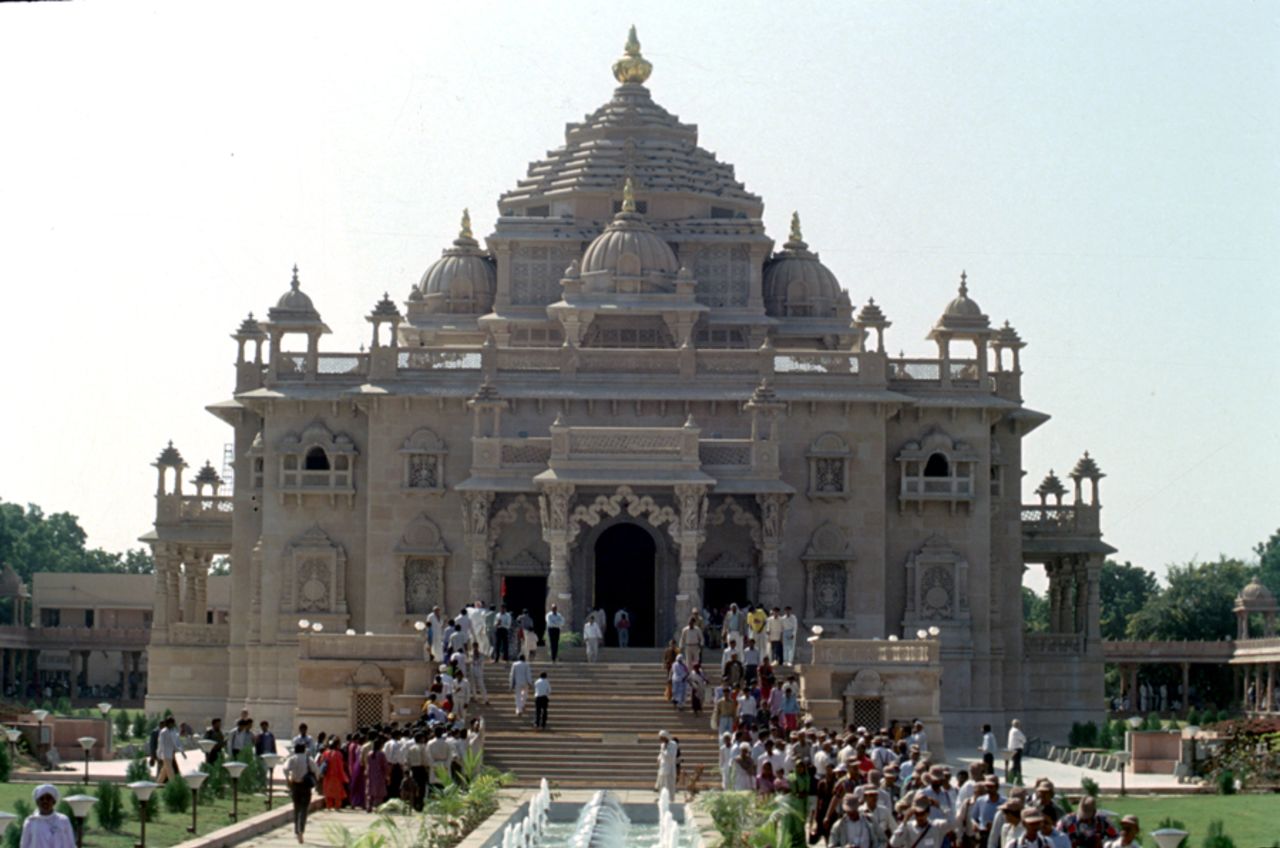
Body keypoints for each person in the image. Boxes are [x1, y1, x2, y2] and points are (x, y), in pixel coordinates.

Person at [284, 741, 319, 842]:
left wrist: (288, 779)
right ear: (304, 749)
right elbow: (316, 770)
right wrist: (315, 780)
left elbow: (285, 769)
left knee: (296, 808)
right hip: (305, 786)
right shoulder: (308, 759)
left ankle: (296, 830)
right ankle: (301, 830)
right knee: (304, 809)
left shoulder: (292, 759)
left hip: (295, 785)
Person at [319, 738, 348, 810]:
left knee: (327, 791)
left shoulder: (325, 753)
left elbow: (321, 763)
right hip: (336, 776)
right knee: (337, 792)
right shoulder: (338, 754)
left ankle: (329, 806)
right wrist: (344, 777)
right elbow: (340, 767)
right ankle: (337, 806)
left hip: (327, 776)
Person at [156, 716, 185, 783]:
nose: (172, 725)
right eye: (171, 723)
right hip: (165, 754)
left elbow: (177, 741)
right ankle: (173, 784)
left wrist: (182, 751)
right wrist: (159, 754)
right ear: (168, 723)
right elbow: (161, 744)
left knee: (164, 770)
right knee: (170, 770)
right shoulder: (163, 732)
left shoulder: (173, 731)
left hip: (171, 753)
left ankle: (158, 783)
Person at [655, 730, 678, 795]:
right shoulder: (662, 745)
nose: (660, 739)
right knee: (661, 784)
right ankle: (661, 796)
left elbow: (670, 756)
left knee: (668, 784)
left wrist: (664, 750)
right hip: (662, 767)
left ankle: (669, 798)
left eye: (661, 738)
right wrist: (658, 759)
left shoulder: (673, 744)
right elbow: (660, 754)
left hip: (669, 768)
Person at [1006, 720, 1026, 786]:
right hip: (1017, 749)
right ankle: (1014, 778)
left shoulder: (1011, 730)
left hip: (1012, 749)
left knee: (1016, 764)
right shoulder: (1017, 731)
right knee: (1016, 765)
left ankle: (1016, 779)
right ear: (1018, 724)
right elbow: (1024, 739)